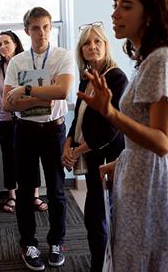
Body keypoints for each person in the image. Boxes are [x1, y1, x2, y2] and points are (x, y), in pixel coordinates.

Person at [78, 0, 168, 271]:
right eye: (115, 5)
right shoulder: (148, 59)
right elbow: (146, 137)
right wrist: (122, 161)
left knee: (146, 259)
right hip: (140, 174)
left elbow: (163, 143)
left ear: (150, 14)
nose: (114, 14)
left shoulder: (162, 59)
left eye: (126, 6)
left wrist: (111, 113)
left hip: (153, 183)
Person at [3, 7, 74, 271]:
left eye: (46, 26)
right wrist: (46, 93)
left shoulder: (62, 56)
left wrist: (26, 91)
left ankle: (57, 241)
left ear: (51, 28)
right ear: (27, 30)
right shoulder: (18, 62)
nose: (41, 32)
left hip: (54, 130)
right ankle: (28, 243)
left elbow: (64, 90)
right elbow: (8, 105)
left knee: (56, 191)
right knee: (24, 192)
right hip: (26, 131)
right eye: (35, 27)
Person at [61, 22, 128, 272]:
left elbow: (112, 128)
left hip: (109, 159)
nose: (92, 47)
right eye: (87, 43)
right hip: (90, 159)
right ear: (81, 51)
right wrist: (68, 144)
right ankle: (98, 264)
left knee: (105, 217)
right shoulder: (85, 80)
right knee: (92, 216)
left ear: (105, 45)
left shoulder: (117, 78)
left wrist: (77, 151)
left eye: (97, 41)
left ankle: (106, 266)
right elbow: (77, 120)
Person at [0, 30, 47, 213]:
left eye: (6, 42)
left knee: (32, 155)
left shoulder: (26, 63)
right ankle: (12, 196)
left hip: (26, 118)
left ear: (15, 43)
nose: (3, 47)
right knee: (9, 157)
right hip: (5, 119)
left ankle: (35, 194)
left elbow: (37, 89)